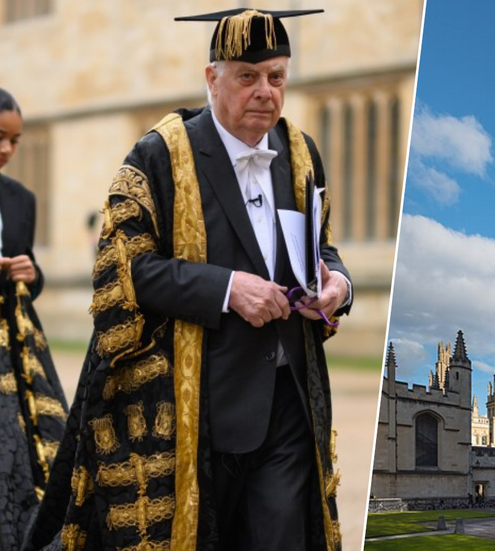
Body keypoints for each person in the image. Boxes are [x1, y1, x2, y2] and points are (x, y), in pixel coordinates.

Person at [27, 10, 351, 551]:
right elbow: (127, 269)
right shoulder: (158, 153)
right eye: (247, 77)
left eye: (276, 77)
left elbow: (322, 249)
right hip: (193, 412)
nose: (265, 92)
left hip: (288, 402)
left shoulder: (301, 153)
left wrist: (338, 284)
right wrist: (228, 289)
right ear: (212, 78)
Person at [0, 88, 67, 549]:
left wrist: (31, 272)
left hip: (17, 349)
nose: (7, 150)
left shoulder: (22, 199)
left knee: (29, 454)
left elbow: (31, 281)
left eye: (16, 141)